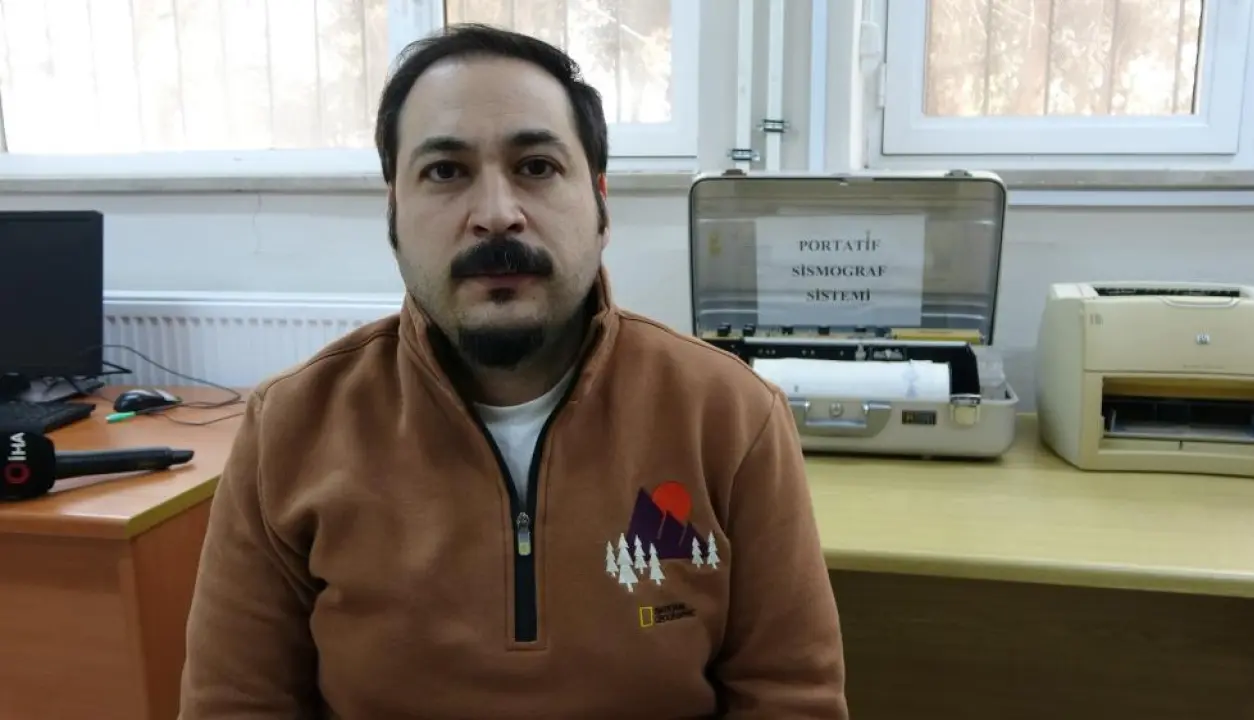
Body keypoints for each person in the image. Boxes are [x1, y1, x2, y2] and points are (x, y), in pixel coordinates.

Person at [178, 23, 847, 719]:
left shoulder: (731, 416)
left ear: (601, 204)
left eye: (536, 166)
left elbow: (789, 697)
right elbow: (235, 705)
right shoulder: (288, 430)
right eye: (446, 171)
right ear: (393, 213)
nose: (497, 216)